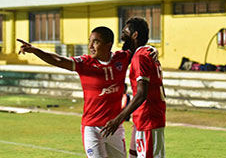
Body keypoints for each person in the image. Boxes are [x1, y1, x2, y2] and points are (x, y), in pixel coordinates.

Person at [17, 26, 158, 158]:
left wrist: (151, 49)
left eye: (96, 42)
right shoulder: (84, 63)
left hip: (115, 127)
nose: (90, 46)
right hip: (92, 128)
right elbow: (59, 59)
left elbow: (139, 49)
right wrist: (35, 50)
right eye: (89, 41)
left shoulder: (122, 58)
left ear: (108, 45)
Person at [101, 17, 166, 158]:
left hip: (148, 118)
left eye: (125, 31)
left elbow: (142, 93)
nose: (122, 34)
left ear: (135, 35)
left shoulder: (141, 56)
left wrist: (118, 119)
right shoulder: (145, 53)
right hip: (144, 119)